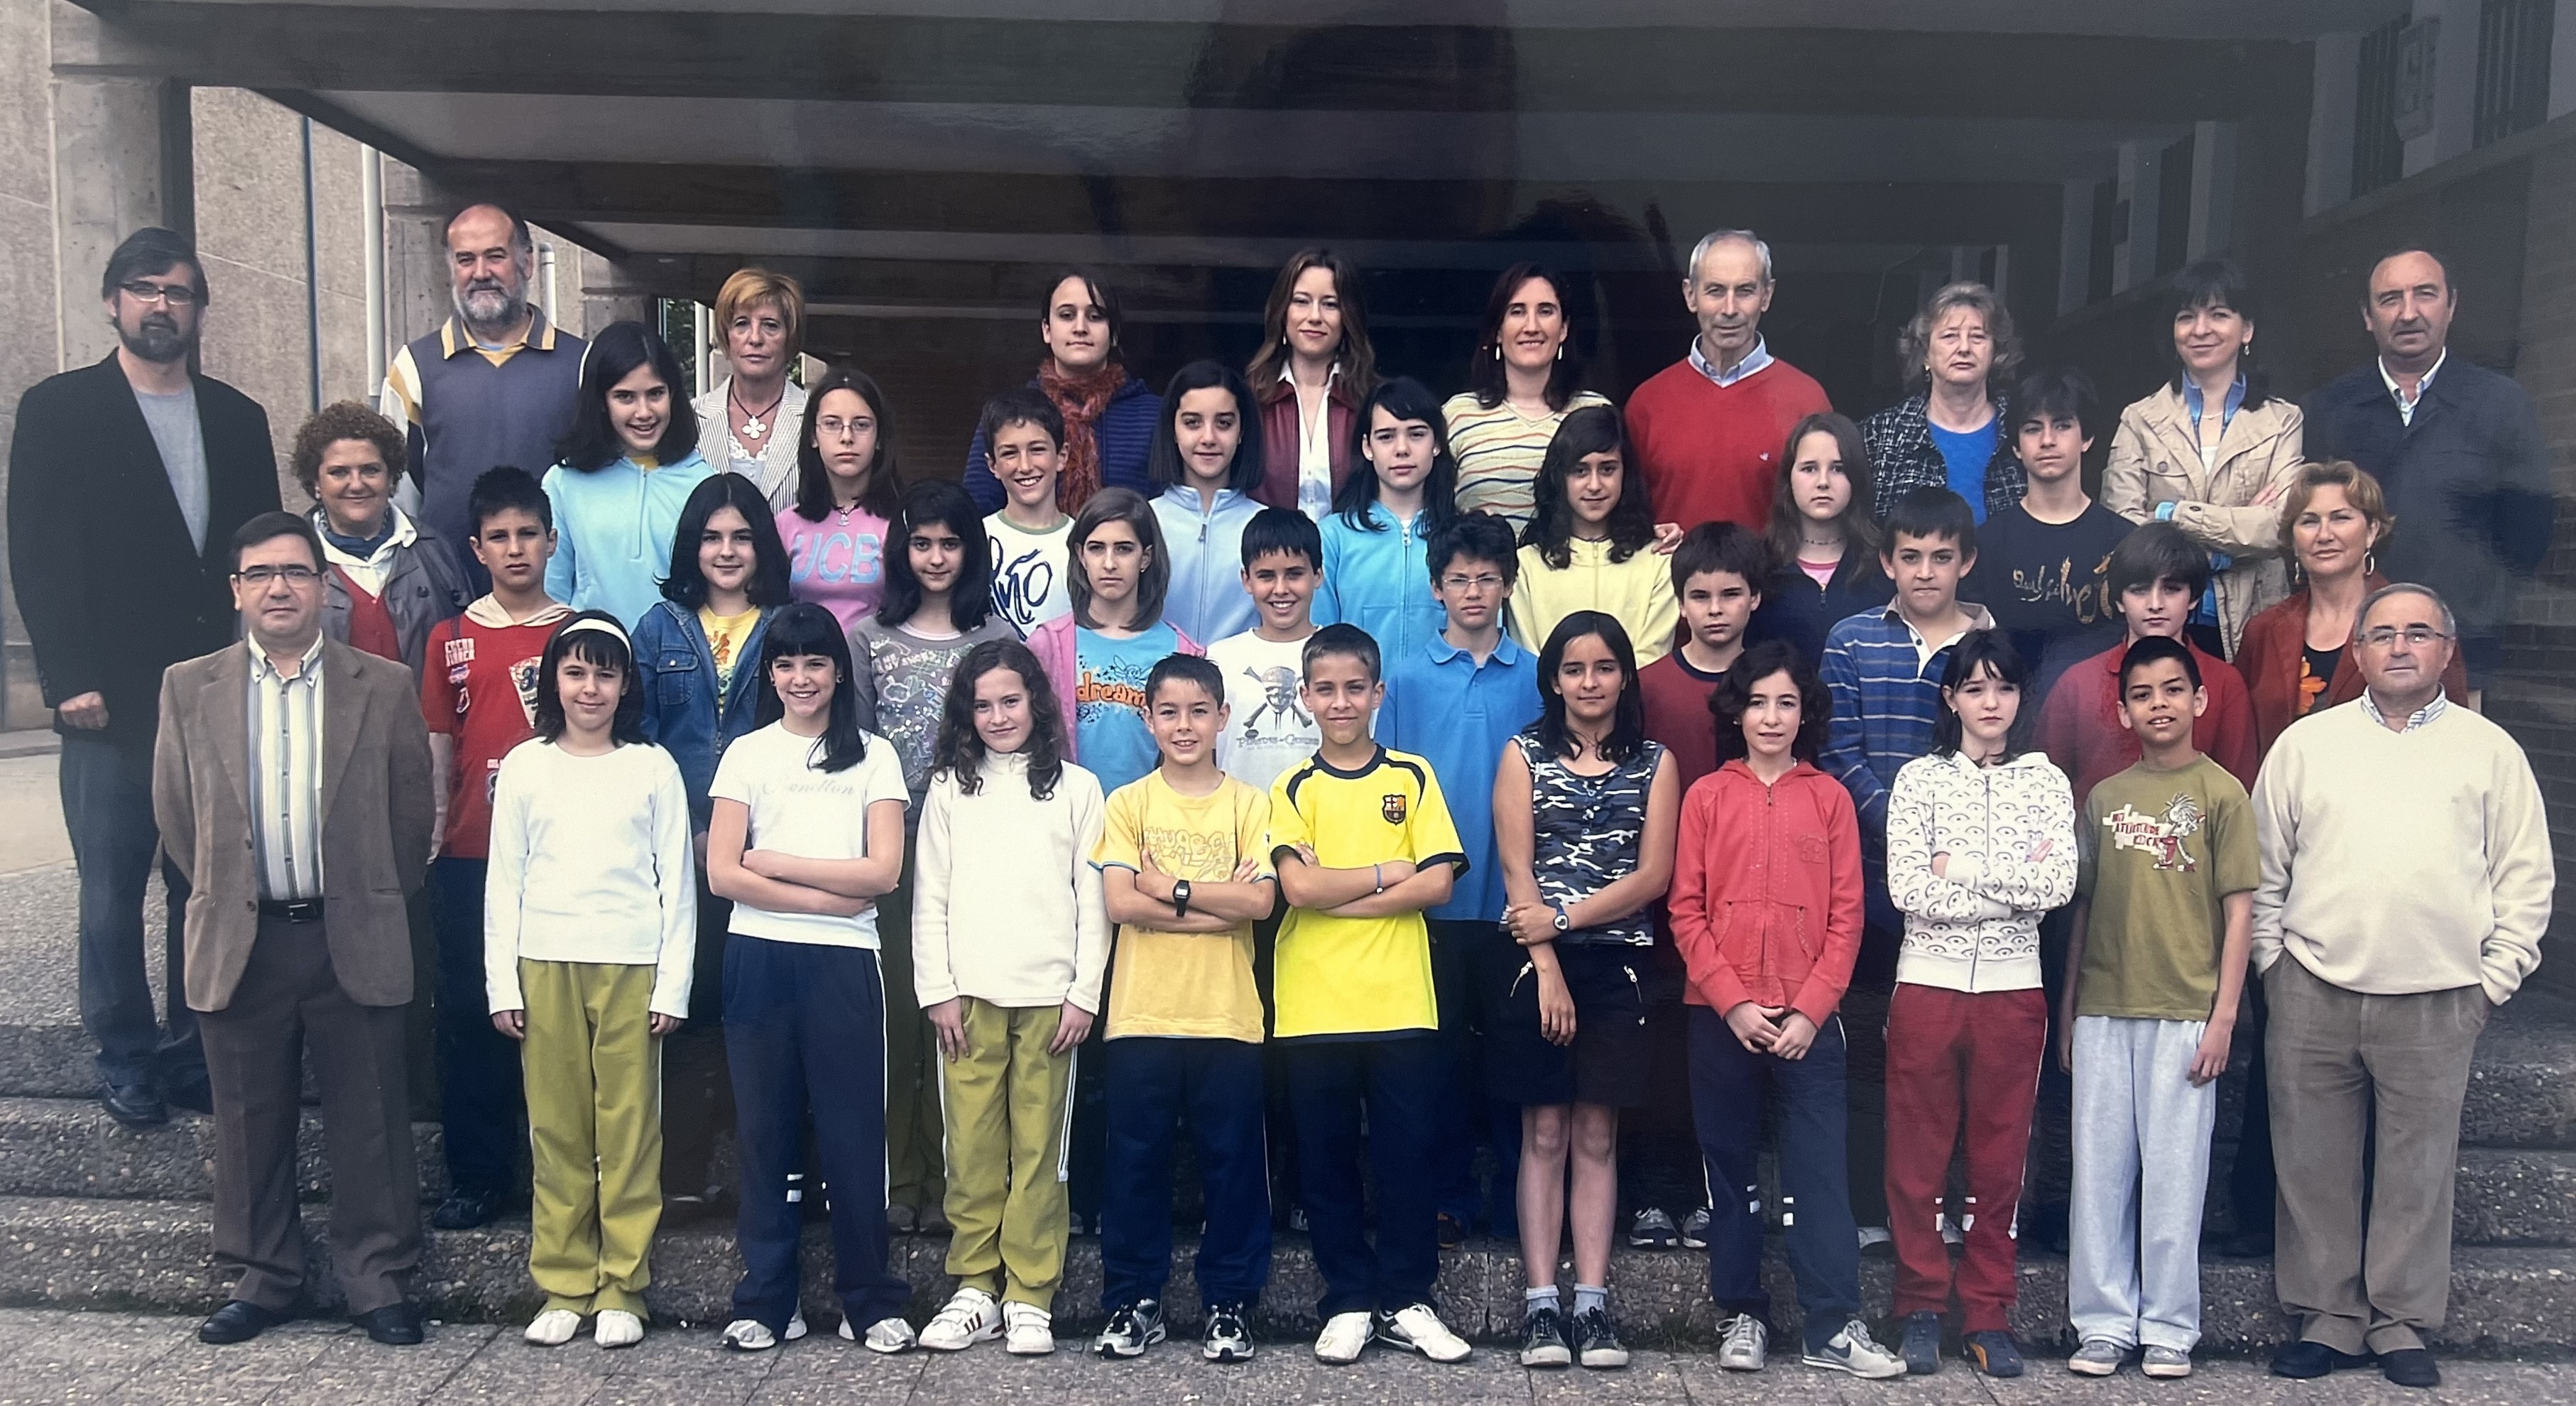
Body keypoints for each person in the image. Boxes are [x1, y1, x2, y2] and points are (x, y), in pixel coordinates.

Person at [9, 227, 280, 1128]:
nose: (162, 305)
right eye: (145, 288)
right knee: (110, 893)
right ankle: (124, 1055)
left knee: (203, 887)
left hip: (209, 694)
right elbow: (38, 552)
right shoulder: (60, 410)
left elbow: (255, 555)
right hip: (108, 700)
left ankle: (193, 1050)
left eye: (179, 291)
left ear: (199, 309)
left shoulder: (238, 418)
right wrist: (67, 676)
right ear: (112, 302)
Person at [2252, 584, 2551, 1390]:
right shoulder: (2307, 745)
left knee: (2417, 1170)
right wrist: (2273, 965)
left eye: (2418, 633)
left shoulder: (2489, 751)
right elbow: (2264, 866)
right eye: (2382, 634)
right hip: (2314, 986)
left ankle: (2399, 1321)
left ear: (2446, 652)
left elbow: (2525, 878)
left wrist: (2493, 981)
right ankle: (2328, 1316)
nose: (2399, 647)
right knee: (2311, 1163)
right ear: (2357, 652)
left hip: (2438, 994)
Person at [152, 513, 435, 1347]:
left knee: (371, 1114)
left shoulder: (382, 684)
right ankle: (263, 1275)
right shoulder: (188, 687)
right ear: (236, 591)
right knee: (247, 1117)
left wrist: (369, 893)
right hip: (244, 934)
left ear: (323, 586)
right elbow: (177, 814)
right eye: (261, 574)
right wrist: (231, 888)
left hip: (352, 927)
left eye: (296, 572)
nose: (279, 587)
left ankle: (376, 1277)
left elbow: (410, 813)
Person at [1670, 640, 1903, 1380]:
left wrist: (1810, 1010)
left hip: (1810, 1020)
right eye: (1758, 702)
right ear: (1736, 711)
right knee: (1731, 1171)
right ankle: (1741, 1313)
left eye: (1787, 703)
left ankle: (1832, 1325)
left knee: (1818, 1171)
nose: (1771, 717)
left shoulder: (1829, 798)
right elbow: (1685, 911)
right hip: (1721, 1017)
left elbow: (1847, 916)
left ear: (1807, 713)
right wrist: (1732, 1002)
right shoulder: (1707, 797)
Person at [705, 603, 919, 1354]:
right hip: (759, 957)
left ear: (837, 671)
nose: (802, 678)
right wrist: (827, 896)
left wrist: (776, 863)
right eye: (787, 664)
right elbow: (723, 872)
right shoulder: (747, 754)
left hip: (845, 963)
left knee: (853, 1131)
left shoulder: (874, 756)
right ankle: (768, 1300)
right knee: (765, 1133)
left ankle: (869, 1298)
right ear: (770, 674)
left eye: (816, 663)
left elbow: (882, 872)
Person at [484, 612, 696, 1351]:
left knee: (628, 1129)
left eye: (605, 673)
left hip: (630, 962)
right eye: (575, 672)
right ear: (554, 681)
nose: (590, 688)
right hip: (544, 961)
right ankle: (565, 1282)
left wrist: (672, 985)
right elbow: (504, 880)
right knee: (557, 1130)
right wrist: (502, 983)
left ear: (627, 684)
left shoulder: (652, 767)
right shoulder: (525, 766)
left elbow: (677, 884)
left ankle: (621, 1286)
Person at [1268, 624, 1475, 1367]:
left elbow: (1440, 881)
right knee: (1325, 1159)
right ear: (1304, 697)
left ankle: (1408, 1299)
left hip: (1399, 1001)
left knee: (1406, 1157)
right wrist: (1389, 873)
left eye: (1355, 687)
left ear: (1378, 692)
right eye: (1325, 689)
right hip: (1314, 1001)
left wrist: (1341, 891)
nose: (1341, 702)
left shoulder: (1412, 777)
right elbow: (1297, 889)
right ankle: (1349, 1300)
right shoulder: (1292, 786)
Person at [2057, 636, 2256, 1382]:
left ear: (2199, 699)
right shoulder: (2104, 799)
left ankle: (2170, 1326)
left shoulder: (2222, 794)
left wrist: (2224, 1016)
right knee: (2099, 1175)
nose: (2158, 704)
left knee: (2175, 1176)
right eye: (2142, 694)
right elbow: (2082, 911)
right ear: (2123, 711)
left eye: (2173, 689)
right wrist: (2069, 1008)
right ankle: (2103, 1322)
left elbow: (2240, 913)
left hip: (2185, 1012)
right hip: (2105, 1008)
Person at [1881, 631, 2078, 1379]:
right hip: (1927, 985)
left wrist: (1957, 867)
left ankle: (1989, 1312)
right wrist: (2005, 885)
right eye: (1975, 688)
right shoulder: (1919, 780)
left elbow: (2055, 886)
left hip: (2012, 988)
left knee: (2000, 1161)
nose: (1990, 702)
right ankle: (1920, 1306)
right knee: (1916, 1158)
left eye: (2004, 687)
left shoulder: (2045, 781)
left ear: (2021, 697)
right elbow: (1908, 890)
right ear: (1951, 698)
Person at [1490, 612, 1677, 1372]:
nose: (1589, 682)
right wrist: (1548, 963)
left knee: (1597, 1134)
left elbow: (1653, 875)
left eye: (1603, 668)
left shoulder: (1655, 761)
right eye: (1574, 669)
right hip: (1538, 965)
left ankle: (1592, 1305)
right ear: (1553, 680)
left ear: (1625, 676)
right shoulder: (1523, 754)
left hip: (1619, 965)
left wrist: (1566, 918)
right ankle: (1542, 1305)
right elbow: (1517, 873)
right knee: (1544, 1133)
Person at [912, 640, 1109, 1357]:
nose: (998, 717)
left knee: (1039, 1150)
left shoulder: (1078, 789)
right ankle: (974, 1286)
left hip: (1051, 1001)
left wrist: (1083, 993)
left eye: (1011, 701)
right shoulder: (948, 789)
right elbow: (930, 895)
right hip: (967, 1000)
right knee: (970, 1146)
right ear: (965, 714)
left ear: (1037, 703)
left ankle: (1029, 1292)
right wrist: (937, 990)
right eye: (983, 705)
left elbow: (1094, 899)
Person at [1816, 486, 1993, 1261]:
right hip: (1863, 883)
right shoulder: (1852, 639)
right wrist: (1908, 827)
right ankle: (1867, 1208)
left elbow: (1994, 755)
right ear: (1886, 562)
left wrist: (1940, 848)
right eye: (1910, 557)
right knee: (1863, 1050)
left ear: (1966, 563)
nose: (1925, 572)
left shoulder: (1988, 648)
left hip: (1957, 893)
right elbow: (1836, 750)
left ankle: (1940, 1206)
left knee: (1944, 1055)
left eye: (1941, 557)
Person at [1089, 654, 1279, 1364]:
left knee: (1232, 1165)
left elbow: (1259, 903)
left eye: (1200, 711)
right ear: (1147, 720)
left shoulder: (1250, 804)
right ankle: (1133, 1299)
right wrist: (1213, 904)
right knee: (1135, 1163)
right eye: (1168, 712)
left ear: (1223, 716)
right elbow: (1119, 903)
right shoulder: (1128, 803)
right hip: (1141, 1013)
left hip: (1227, 1015)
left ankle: (1229, 1302)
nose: (1185, 725)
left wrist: (1168, 890)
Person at [849, 480, 1019, 1231]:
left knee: (961, 1018)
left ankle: (958, 1181)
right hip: (891, 851)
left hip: (976, 853)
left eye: (950, 543)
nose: (936, 557)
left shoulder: (997, 639)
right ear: (902, 551)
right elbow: (855, 752)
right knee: (898, 1017)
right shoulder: (868, 638)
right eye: (922, 543)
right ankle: (899, 1180)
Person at [632, 473, 795, 1220]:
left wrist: (736, 839)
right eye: (712, 537)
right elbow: (639, 741)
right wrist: (687, 834)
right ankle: (683, 1173)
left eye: (741, 537)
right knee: (687, 1006)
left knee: (764, 1010)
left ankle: (770, 1173)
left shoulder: (789, 626)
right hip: (675, 852)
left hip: (767, 854)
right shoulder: (659, 628)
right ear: (691, 547)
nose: (727, 551)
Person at [1379, 512, 1541, 1248]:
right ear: (1435, 588)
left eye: (1486, 578)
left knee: (1514, 1057)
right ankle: (1445, 1196)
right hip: (1431, 905)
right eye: (1458, 579)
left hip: (1515, 904)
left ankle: (1517, 1202)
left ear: (1508, 585)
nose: (1473, 592)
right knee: (1436, 1060)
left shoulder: (1538, 675)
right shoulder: (1405, 678)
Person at [417, 468, 572, 1231]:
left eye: (528, 535)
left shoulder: (580, 633)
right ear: (477, 549)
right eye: (499, 537)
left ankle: (561, 1177)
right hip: (471, 854)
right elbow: (437, 746)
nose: (516, 550)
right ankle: (477, 1176)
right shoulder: (451, 638)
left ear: (551, 541)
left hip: (563, 858)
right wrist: (434, 835)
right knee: (475, 1013)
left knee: (557, 1016)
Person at [2301, 248, 2552, 701]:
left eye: (2425, 294)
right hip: (2348, 656)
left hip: (2458, 653)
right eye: (2390, 299)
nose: (2408, 313)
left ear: (2451, 305)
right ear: (2368, 316)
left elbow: (2528, 531)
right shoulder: (2329, 409)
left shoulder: (2499, 404)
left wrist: (2479, 613)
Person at [2102, 259, 2305, 658]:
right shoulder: (2139, 419)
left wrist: (2169, 514)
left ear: (2247, 329)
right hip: (2161, 620)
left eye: (2218, 314)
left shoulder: (2282, 420)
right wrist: (2225, 548)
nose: (2200, 329)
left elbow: (2280, 526)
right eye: (2186, 317)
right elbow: (2121, 527)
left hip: (2255, 619)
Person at [380, 203, 587, 586]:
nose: (480, 273)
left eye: (495, 256)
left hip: (556, 594)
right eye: (466, 260)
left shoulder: (582, 365)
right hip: (448, 592)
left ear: (527, 262)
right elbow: (399, 495)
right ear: (451, 269)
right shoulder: (413, 367)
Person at [2237, 462, 2467, 760]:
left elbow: (2454, 732)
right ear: (2293, 540)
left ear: (2371, 531)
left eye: (2340, 518)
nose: (2324, 535)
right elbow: (2245, 743)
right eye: (2309, 521)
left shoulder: (2421, 623)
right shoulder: (2263, 630)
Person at [2035, 523, 2259, 805]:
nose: (2155, 604)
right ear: (2119, 600)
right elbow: (2044, 789)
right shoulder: (2078, 684)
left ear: (2194, 598)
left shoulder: (2224, 682)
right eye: (2139, 590)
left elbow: (2238, 791)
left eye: (2172, 589)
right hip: (2095, 833)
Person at [1627, 230, 1833, 533]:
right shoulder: (1647, 403)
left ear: (1767, 295)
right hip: (1670, 566)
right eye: (1715, 291)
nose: (1730, 309)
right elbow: (1627, 519)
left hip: (1771, 567)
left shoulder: (1807, 401)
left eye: (1745, 291)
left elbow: (1827, 523)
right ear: (1690, 295)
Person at [1963, 369, 2129, 705]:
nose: (2048, 440)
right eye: (2032, 428)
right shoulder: (1986, 545)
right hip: (2010, 718)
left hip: (2105, 714)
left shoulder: (2125, 542)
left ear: (2087, 439)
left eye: (2063, 426)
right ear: (2016, 446)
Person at [541, 320, 716, 628]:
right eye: (625, 397)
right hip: (593, 652)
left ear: (674, 394)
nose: (644, 412)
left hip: (681, 654)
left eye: (656, 393)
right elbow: (551, 595)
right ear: (601, 401)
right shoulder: (563, 482)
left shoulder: (704, 483)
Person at [1030, 487, 1206, 790]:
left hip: (1151, 812)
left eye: (1124, 549)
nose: (1109, 563)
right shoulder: (1048, 645)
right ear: (1081, 556)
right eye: (1097, 548)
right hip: (1067, 810)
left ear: (1145, 558)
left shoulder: (1183, 651)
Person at [964, 268, 1162, 514]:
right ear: (1047, 330)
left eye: (1095, 316)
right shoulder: (1010, 414)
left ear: (1114, 334)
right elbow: (974, 512)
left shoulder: (1153, 415)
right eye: (1067, 315)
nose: (1080, 327)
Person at [296, 400, 469, 677]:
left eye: (370, 470)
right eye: (339, 472)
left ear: (391, 478)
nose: (356, 484)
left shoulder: (434, 551)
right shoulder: (289, 561)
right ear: (316, 483)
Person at [1444, 263, 1616, 531]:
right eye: (1517, 311)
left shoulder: (1597, 411)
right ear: (1497, 331)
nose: (1532, 327)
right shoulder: (1457, 415)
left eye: (1546, 311)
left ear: (1564, 329)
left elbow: (1625, 509)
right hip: (1479, 559)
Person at [1509, 406, 1677, 667]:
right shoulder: (1526, 566)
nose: (1595, 485)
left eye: (1608, 469)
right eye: (1580, 471)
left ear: (1626, 474)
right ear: (1560, 477)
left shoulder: (1659, 560)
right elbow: (1529, 660)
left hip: (1636, 693)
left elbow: (1653, 658)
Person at [1314, 377, 1459, 667]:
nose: (1401, 449)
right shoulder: (1332, 537)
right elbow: (1319, 641)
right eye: (1386, 436)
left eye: (1416, 434)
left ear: (1437, 444)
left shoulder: (1463, 537)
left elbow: (1484, 638)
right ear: (1367, 447)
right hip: (1358, 694)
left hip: (1445, 694)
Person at [1862, 282, 2025, 523]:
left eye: (1978, 337)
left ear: (1995, 353)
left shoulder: (2022, 427)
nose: (1964, 348)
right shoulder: (1880, 435)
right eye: (1950, 336)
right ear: (1925, 354)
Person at [1749, 413, 1891, 666]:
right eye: (1809, 469)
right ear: (1789, 477)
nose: (1823, 482)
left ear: (1857, 478)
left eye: (1838, 469)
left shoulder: (1885, 565)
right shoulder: (1759, 564)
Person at [1246, 247, 1376, 519]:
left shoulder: (1373, 400)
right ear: (1283, 312)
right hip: (1269, 546)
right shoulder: (1249, 399)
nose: (1315, 316)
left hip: (1353, 545)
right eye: (1301, 301)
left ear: (1348, 317)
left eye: (1330, 304)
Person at [1206, 508, 1326, 796]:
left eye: (1294, 574)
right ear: (1246, 580)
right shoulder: (1220, 659)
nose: (1281, 589)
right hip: (1239, 818)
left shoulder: (1343, 658)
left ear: (1318, 575)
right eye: (1266, 576)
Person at [1147, 360, 1267, 644]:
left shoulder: (1265, 527)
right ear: (1173, 430)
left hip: (1241, 672)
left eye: (1224, 423)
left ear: (1242, 432)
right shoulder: (1144, 521)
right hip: (1157, 672)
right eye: (1193, 423)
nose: (1209, 438)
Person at [775, 364, 900, 633]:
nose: (846, 437)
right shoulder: (785, 525)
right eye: (832, 424)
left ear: (879, 438)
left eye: (861, 425)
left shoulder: (902, 522)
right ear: (813, 436)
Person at [692, 268, 809, 511]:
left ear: (790, 336)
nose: (755, 338)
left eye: (770, 325)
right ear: (727, 334)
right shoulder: (691, 418)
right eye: (742, 324)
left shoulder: (816, 418)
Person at [981, 390, 1076, 634]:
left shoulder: (1084, 541)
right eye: (1010, 453)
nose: (1024, 466)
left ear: (1062, 456)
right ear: (993, 465)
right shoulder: (976, 538)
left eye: (1037, 450)